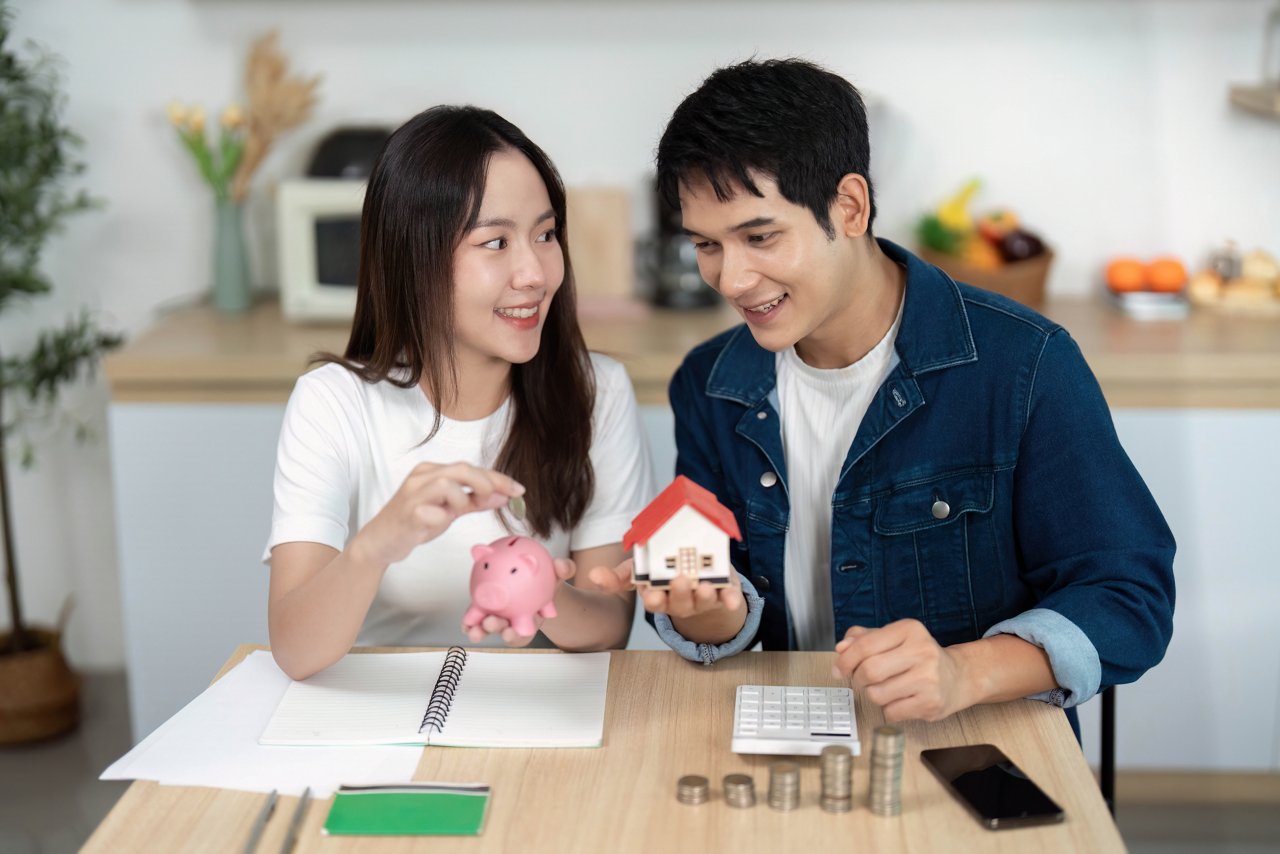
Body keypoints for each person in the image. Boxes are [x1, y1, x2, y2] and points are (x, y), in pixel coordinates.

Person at [595, 59, 1175, 727]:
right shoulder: (711, 384)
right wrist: (709, 612)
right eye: (706, 244)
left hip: (976, 746)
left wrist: (965, 670)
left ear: (849, 206)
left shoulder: (1025, 365)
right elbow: (724, 611)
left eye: (759, 237)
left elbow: (1130, 599)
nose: (730, 279)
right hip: (785, 744)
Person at [264, 106, 655, 680]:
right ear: (415, 258)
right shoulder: (333, 402)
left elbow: (611, 627)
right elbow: (295, 651)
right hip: (382, 717)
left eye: (545, 235)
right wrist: (379, 543)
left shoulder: (598, 391)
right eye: (495, 243)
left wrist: (540, 592)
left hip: (541, 717)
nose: (535, 274)